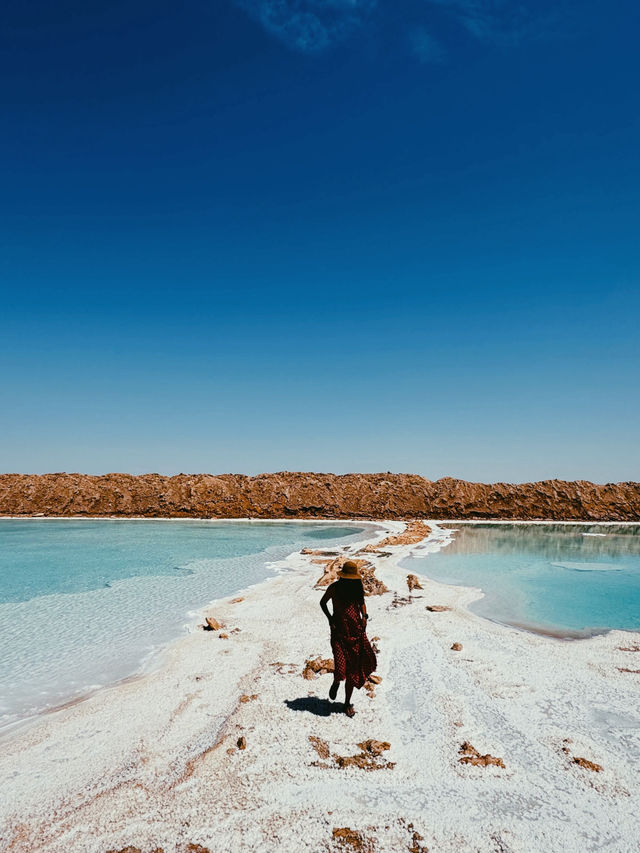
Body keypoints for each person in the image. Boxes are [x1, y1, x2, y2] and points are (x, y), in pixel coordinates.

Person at [320, 560, 377, 717]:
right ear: (343, 577)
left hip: (356, 633)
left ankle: (346, 703)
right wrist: (330, 619)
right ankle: (336, 681)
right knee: (340, 668)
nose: (351, 581)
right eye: (349, 578)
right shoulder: (334, 588)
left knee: (353, 671)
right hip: (338, 633)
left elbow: (362, 604)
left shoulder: (357, 588)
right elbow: (322, 603)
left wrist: (364, 616)